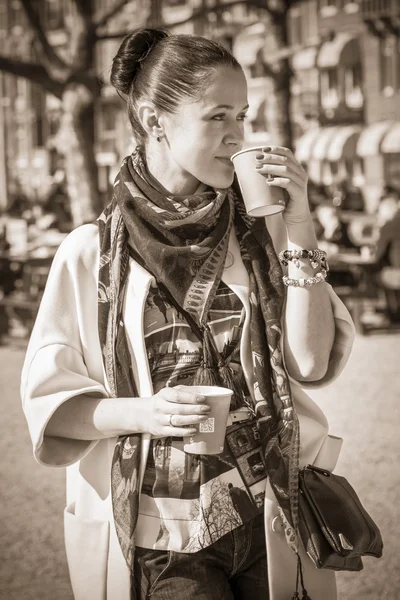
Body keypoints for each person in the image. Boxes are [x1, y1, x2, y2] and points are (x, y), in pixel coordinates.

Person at [21, 29, 355, 600]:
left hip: (269, 516)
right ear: (155, 121)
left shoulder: (260, 234)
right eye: (218, 116)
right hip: (162, 536)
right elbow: (52, 409)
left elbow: (308, 361)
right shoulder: (92, 252)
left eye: (243, 117)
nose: (237, 136)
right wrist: (147, 413)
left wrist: (300, 226)